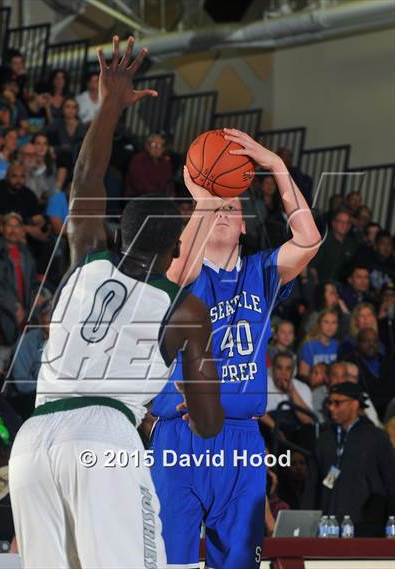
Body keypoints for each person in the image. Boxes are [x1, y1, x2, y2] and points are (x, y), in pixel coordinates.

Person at [9, 36, 224, 569]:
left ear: (121, 235)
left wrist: (108, 103)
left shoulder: (86, 257)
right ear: (175, 248)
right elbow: (210, 422)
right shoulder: (187, 311)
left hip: (32, 440)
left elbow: (85, 178)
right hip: (104, 438)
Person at [151, 127, 321, 568]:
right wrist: (205, 199)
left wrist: (278, 167)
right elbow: (180, 267)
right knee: (175, 563)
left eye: (232, 207)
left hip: (242, 438)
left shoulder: (262, 271)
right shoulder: (181, 273)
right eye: (216, 208)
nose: (224, 213)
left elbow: (308, 240)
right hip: (178, 436)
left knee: (240, 563)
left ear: (245, 225)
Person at [302, 382, 395, 537]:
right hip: (328, 526)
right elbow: (312, 485)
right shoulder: (324, 439)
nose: (331, 408)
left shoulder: (376, 437)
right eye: (329, 403)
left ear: (354, 404)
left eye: (337, 403)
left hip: (368, 526)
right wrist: (306, 523)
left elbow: (391, 482)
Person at [0, 212, 39, 345]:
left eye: (17, 226)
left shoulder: (26, 253)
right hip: (0, 306)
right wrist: (14, 305)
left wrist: (41, 295)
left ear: (22, 230)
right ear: (2, 228)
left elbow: (33, 282)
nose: (13, 230)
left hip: (25, 306)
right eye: (9, 226)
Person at [310, 208, 359, 282]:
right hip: (320, 285)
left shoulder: (352, 244)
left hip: (340, 287)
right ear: (333, 223)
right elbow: (312, 267)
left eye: (347, 223)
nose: (344, 225)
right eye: (341, 222)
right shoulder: (323, 240)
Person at [298, 308, 339, 381]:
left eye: (334, 322)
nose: (330, 326)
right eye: (326, 322)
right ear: (319, 324)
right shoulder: (309, 346)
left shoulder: (338, 345)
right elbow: (303, 375)